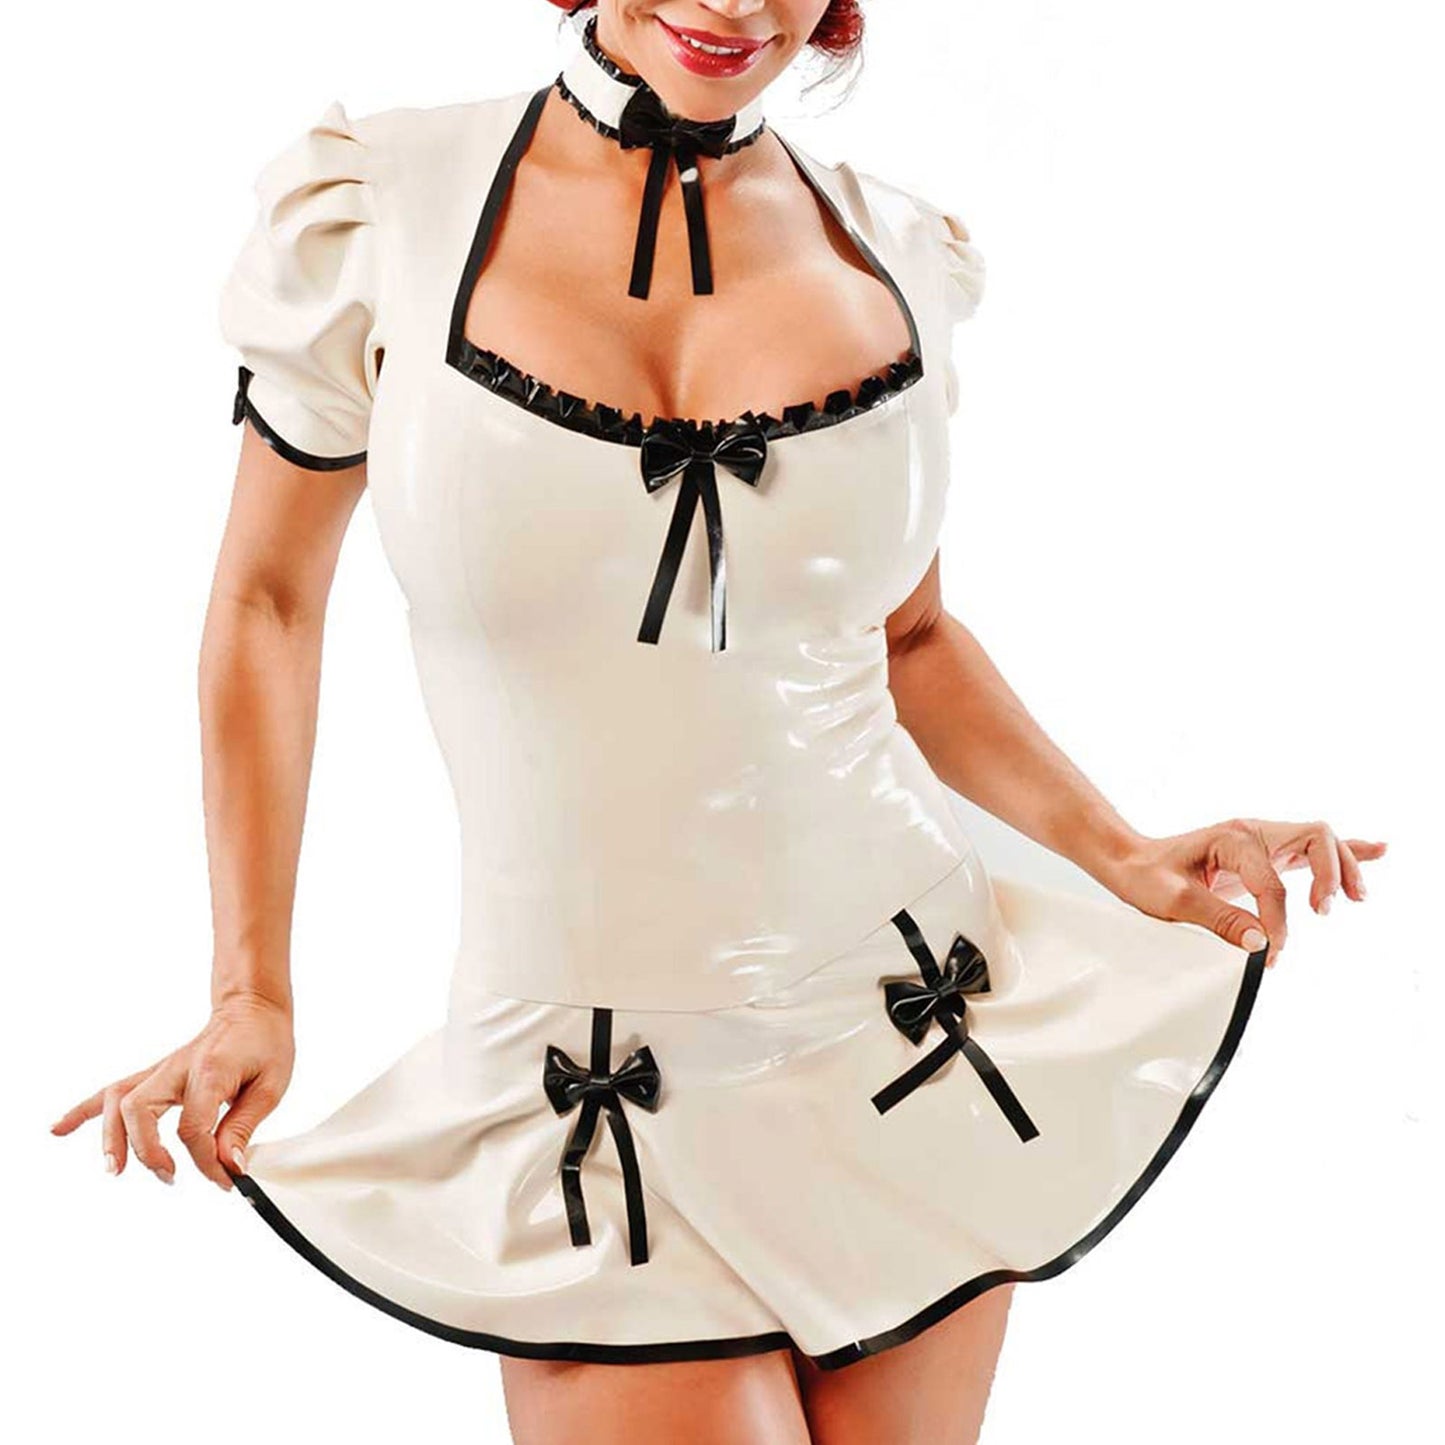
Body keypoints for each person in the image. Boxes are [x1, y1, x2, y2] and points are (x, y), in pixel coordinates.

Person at [52, 3, 1386, 1442]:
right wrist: (251, 989)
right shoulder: (380, 214)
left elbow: (908, 639)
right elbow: (266, 605)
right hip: (591, 1098)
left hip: (909, 1031)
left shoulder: (896, 251)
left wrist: (1119, 852)